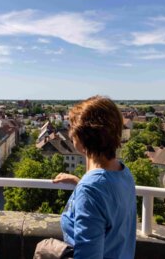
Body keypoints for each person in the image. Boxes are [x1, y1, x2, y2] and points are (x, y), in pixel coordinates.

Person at [53, 96, 136, 259]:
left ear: (83, 137)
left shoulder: (91, 190)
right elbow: (107, 207)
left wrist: (84, 188)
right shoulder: (124, 174)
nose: (70, 133)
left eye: (72, 128)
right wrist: (79, 183)